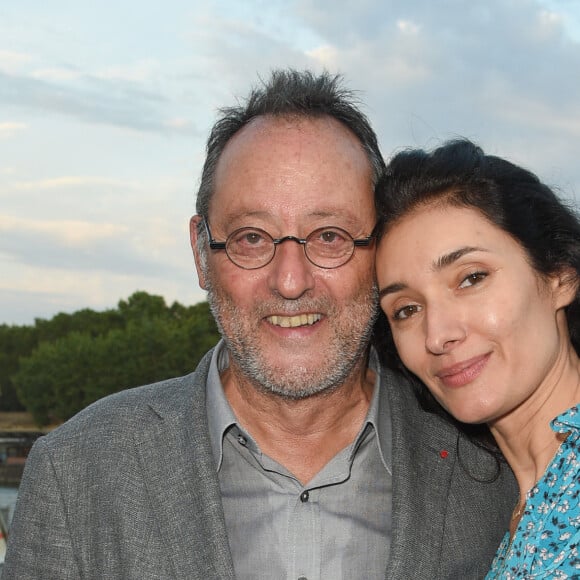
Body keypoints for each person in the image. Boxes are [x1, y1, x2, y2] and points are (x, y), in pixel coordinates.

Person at [3, 72, 515, 580]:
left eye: (330, 235)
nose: (290, 281)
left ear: (381, 253)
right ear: (202, 254)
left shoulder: (496, 471)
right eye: (251, 237)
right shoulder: (74, 474)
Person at [374, 138, 580, 578]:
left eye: (471, 278)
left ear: (560, 274)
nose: (438, 335)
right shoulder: (512, 503)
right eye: (406, 310)